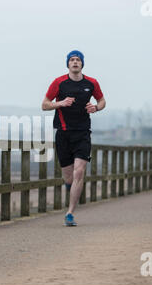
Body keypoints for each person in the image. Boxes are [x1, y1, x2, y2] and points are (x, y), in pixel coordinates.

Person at [42, 50, 106, 226]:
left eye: (78, 60)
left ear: (82, 64)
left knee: (79, 171)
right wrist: (60, 103)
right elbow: (44, 104)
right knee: (69, 177)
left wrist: (96, 108)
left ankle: (70, 213)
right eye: (72, 60)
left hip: (83, 133)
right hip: (63, 133)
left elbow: (102, 101)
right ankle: (71, 188)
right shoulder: (59, 83)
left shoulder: (92, 83)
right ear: (68, 64)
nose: (75, 62)